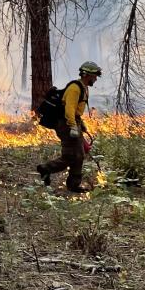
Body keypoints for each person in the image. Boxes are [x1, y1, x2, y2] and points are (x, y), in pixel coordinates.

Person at [37, 61, 101, 193]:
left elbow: (76, 110)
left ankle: (74, 184)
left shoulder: (83, 87)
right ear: (87, 75)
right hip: (66, 124)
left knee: (79, 155)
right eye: (94, 76)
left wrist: (80, 124)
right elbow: (69, 110)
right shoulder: (74, 88)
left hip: (73, 122)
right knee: (71, 155)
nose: (95, 79)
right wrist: (72, 127)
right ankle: (46, 168)